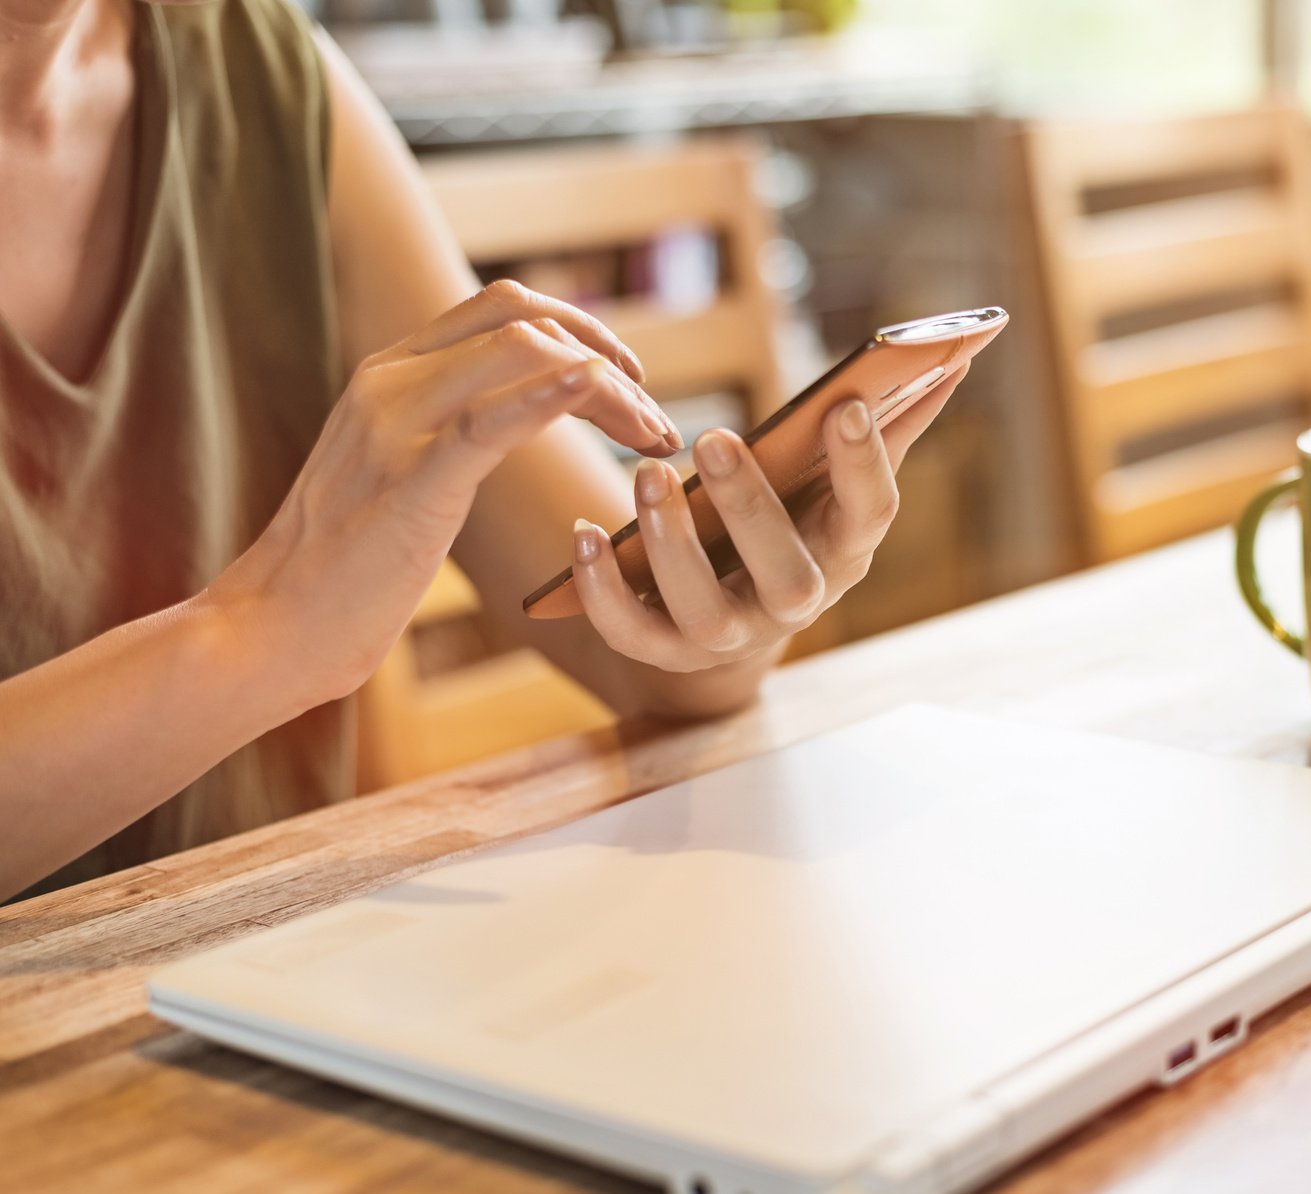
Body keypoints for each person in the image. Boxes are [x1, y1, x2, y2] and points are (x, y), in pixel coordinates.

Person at [0, 0, 963, 898]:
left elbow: (631, 642)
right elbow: (283, 628)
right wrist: (259, 632)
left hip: (280, 952)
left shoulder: (267, 71)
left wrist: (737, 585)